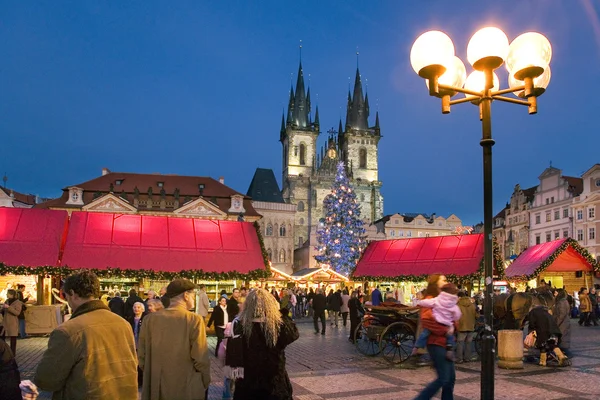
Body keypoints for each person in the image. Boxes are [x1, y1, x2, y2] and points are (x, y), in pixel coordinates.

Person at [34, 270, 138, 399]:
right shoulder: (123, 324)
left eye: (65, 296)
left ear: (72, 294)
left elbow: (46, 380)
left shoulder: (68, 331)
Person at [138, 279, 211, 400]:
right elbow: (200, 357)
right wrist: (205, 380)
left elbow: (141, 356)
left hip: (157, 387)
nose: (194, 297)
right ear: (186, 295)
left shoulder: (149, 320)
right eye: (193, 294)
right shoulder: (194, 320)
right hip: (185, 386)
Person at [232, 288, 299, 400]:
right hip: (274, 384)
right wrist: (280, 312)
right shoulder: (277, 326)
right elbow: (293, 334)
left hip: (248, 384)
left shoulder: (240, 325)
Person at [414, 274, 456, 400]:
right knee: (443, 378)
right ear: (435, 283)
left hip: (446, 343)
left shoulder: (445, 299)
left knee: (450, 378)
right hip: (436, 343)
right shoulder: (430, 299)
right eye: (443, 279)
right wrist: (446, 328)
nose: (446, 281)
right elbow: (428, 321)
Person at [413, 283, 461, 361]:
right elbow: (457, 314)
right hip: (447, 324)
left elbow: (426, 302)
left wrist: (419, 302)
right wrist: (453, 320)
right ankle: (449, 349)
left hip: (436, 321)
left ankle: (417, 347)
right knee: (450, 336)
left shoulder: (437, 300)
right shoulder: (453, 304)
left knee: (424, 333)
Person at [455, 291, 477, 363]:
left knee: (460, 343)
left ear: (459, 297)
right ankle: (467, 358)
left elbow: (455, 316)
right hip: (471, 326)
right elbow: (477, 316)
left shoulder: (458, 305)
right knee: (468, 343)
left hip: (462, 326)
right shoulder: (472, 305)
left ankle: (459, 359)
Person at [127, 301, 145, 387]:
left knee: (140, 363)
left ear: (142, 309)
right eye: (134, 307)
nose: (136, 309)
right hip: (132, 344)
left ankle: (141, 381)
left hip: (141, 345)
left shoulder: (145, 319)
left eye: (138, 307)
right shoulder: (130, 319)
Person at [1, 289, 23, 356]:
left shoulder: (18, 302)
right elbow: (3, 311)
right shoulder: (7, 301)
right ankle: (4, 352)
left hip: (12, 323)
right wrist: (2, 308)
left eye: (7, 293)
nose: (6, 294)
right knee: (2, 338)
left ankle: (12, 354)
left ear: (11, 294)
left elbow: (17, 313)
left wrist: (9, 307)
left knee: (13, 339)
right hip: (5, 323)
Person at [552, 288, 572, 358]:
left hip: (562, 323)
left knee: (562, 338)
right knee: (561, 338)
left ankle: (567, 353)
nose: (554, 294)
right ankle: (562, 352)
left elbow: (562, 314)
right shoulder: (561, 301)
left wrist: (556, 323)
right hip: (563, 323)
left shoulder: (562, 302)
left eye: (556, 293)